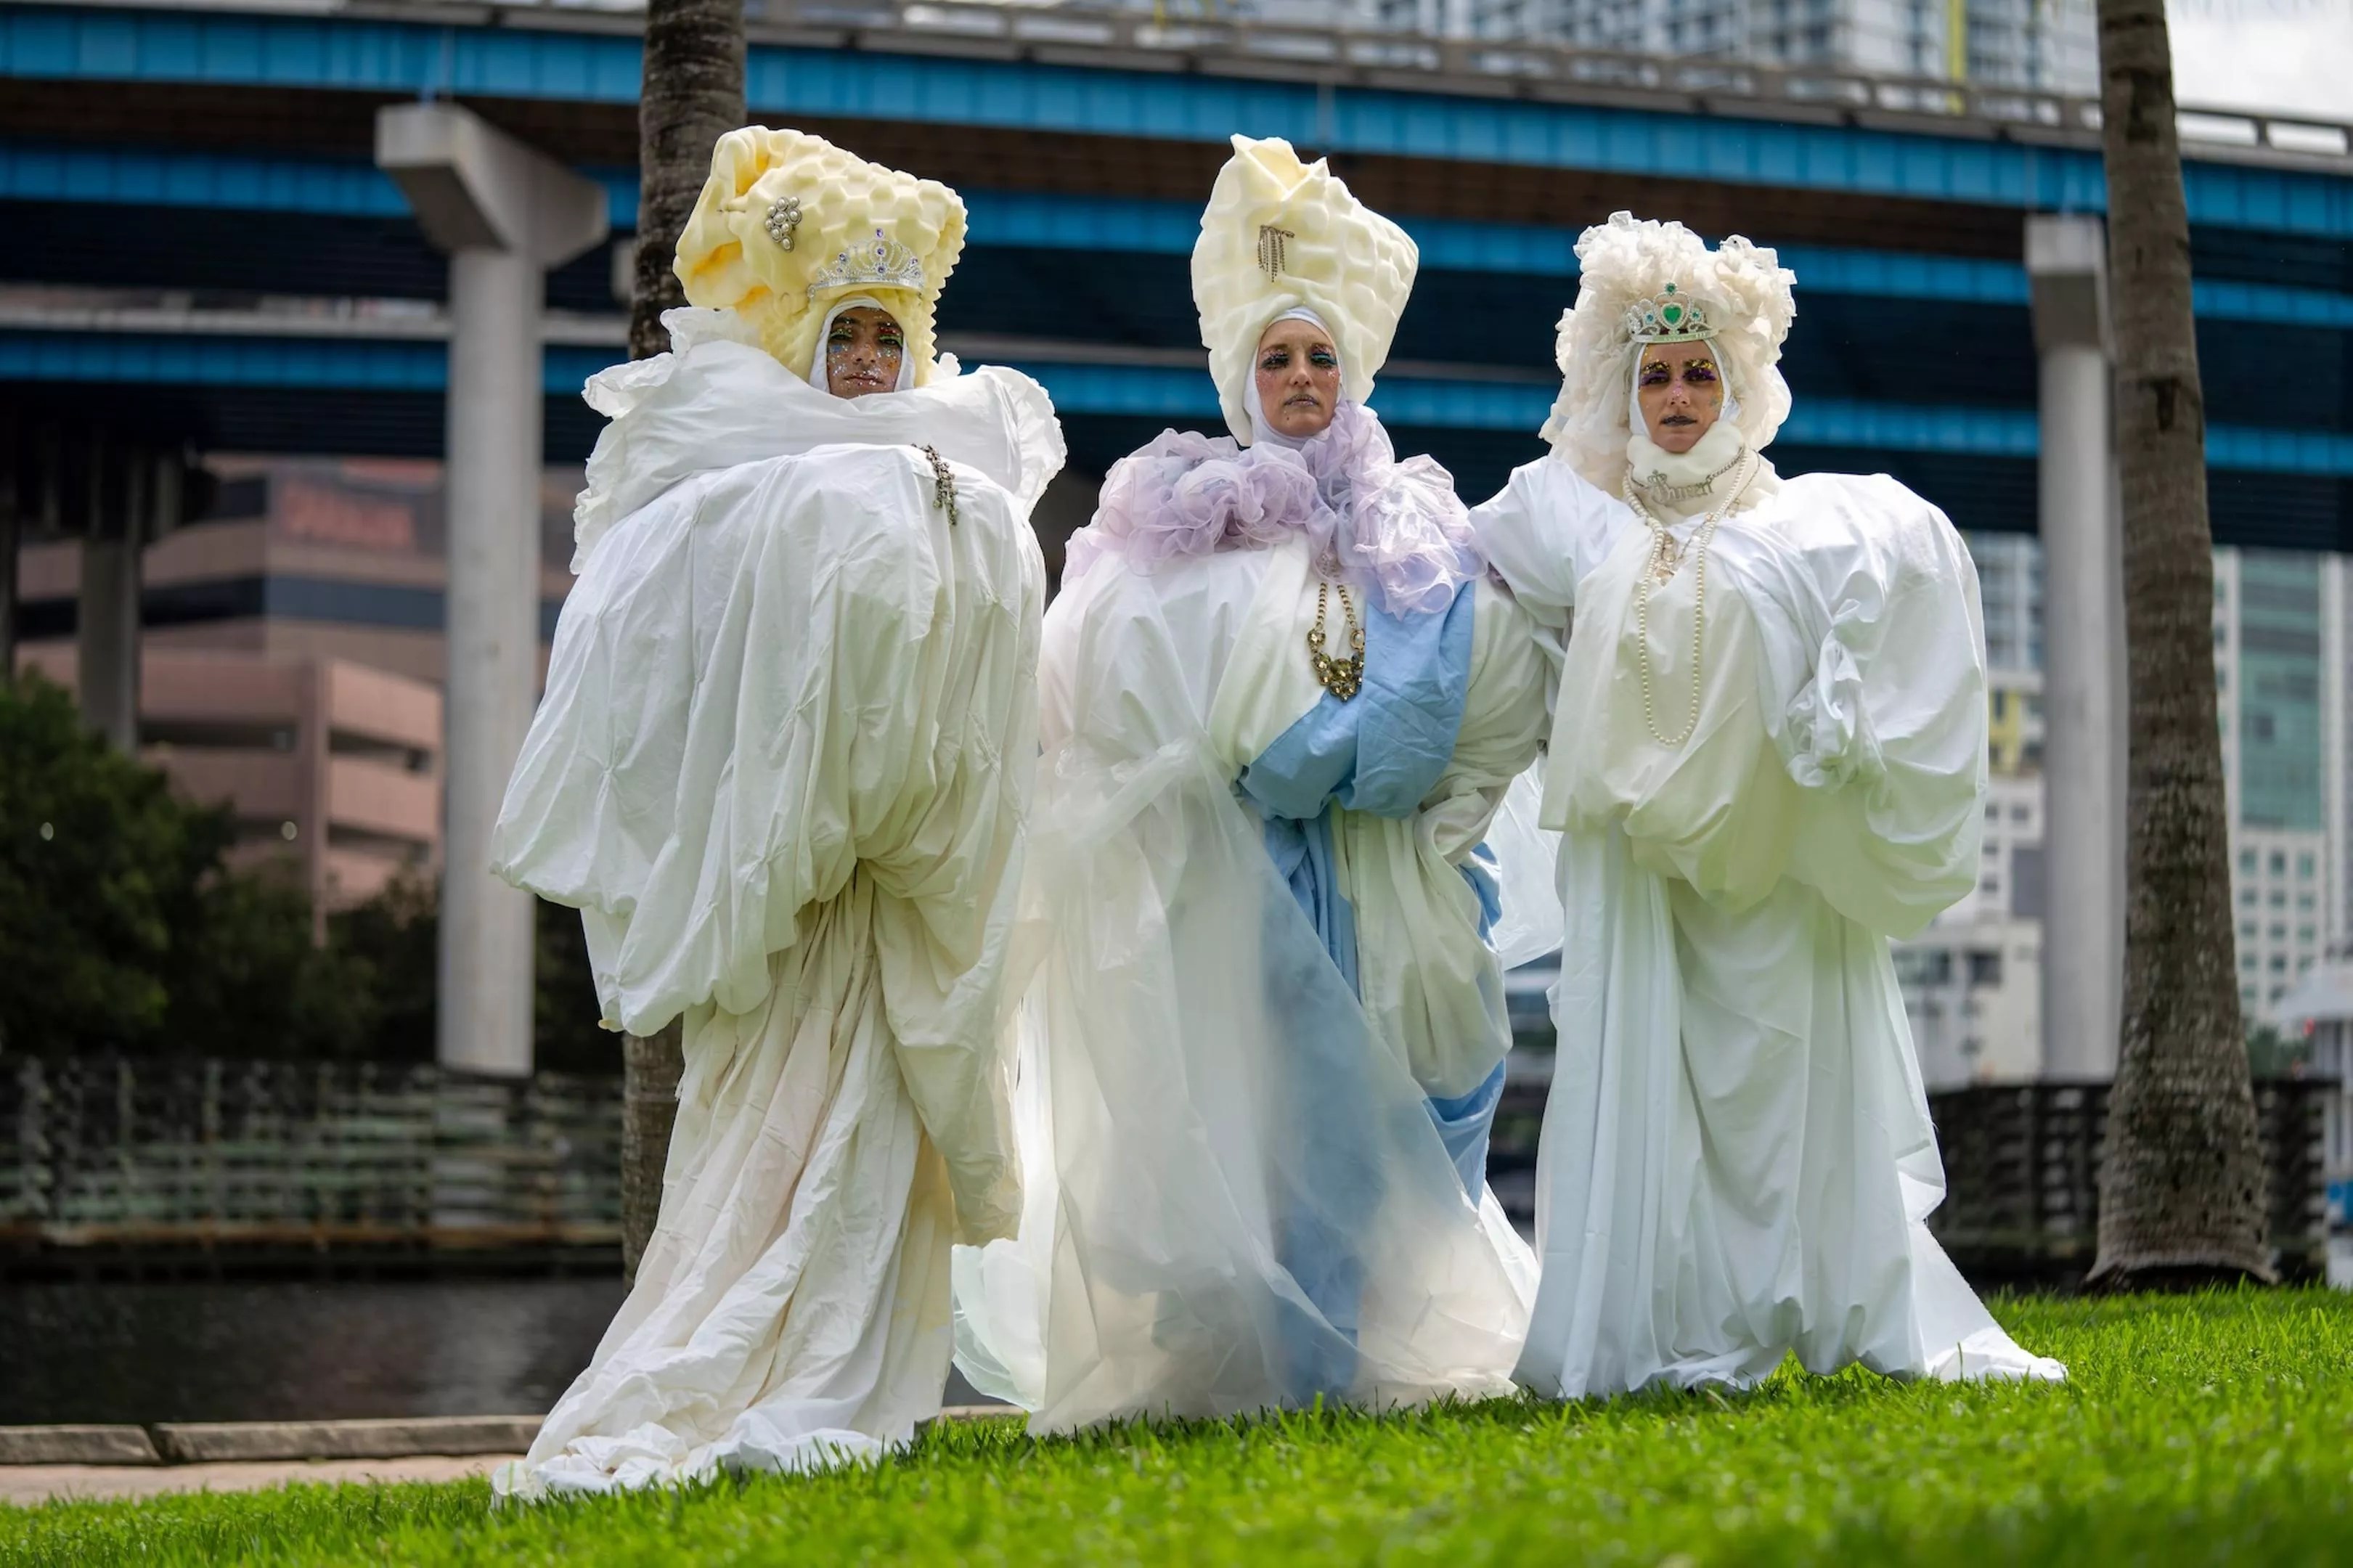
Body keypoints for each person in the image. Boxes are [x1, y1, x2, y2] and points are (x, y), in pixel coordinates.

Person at [486, 127, 1064, 1496]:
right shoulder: (737, 491)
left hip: (899, 903)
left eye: (886, 338)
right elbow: (692, 675)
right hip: (789, 914)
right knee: (756, 1144)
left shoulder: (962, 485)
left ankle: (849, 1382)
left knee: (873, 1154)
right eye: (843, 336)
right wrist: (793, 823)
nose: (864, 363)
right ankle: (743, 1370)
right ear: (804, 341)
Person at [952, 134, 1552, 1432]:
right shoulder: (1175, 515)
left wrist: (1342, 765)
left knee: (1394, 1099)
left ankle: (1361, 1341)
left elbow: (1451, 685)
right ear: (1241, 377)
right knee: (1253, 1110)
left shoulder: (1414, 523)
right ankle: (1271, 1357)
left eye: (1319, 357)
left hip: (1380, 877)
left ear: (1353, 372)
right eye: (1275, 359)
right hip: (1226, 877)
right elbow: (1108, 677)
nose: (1299, 380)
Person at [1472, 212, 2067, 1398]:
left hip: (1775, 878)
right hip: (1640, 880)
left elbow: (1901, 616)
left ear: (1737, 386)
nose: (1676, 397)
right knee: (1648, 1090)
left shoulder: (1804, 531)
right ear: (1621, 390)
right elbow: (1458, 590)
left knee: (1792, 1088)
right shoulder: (1568, 515)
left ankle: (1834, 1299)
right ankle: (1665, 1330)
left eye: (1699, 375)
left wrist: (1837, 717)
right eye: (1655, 376)